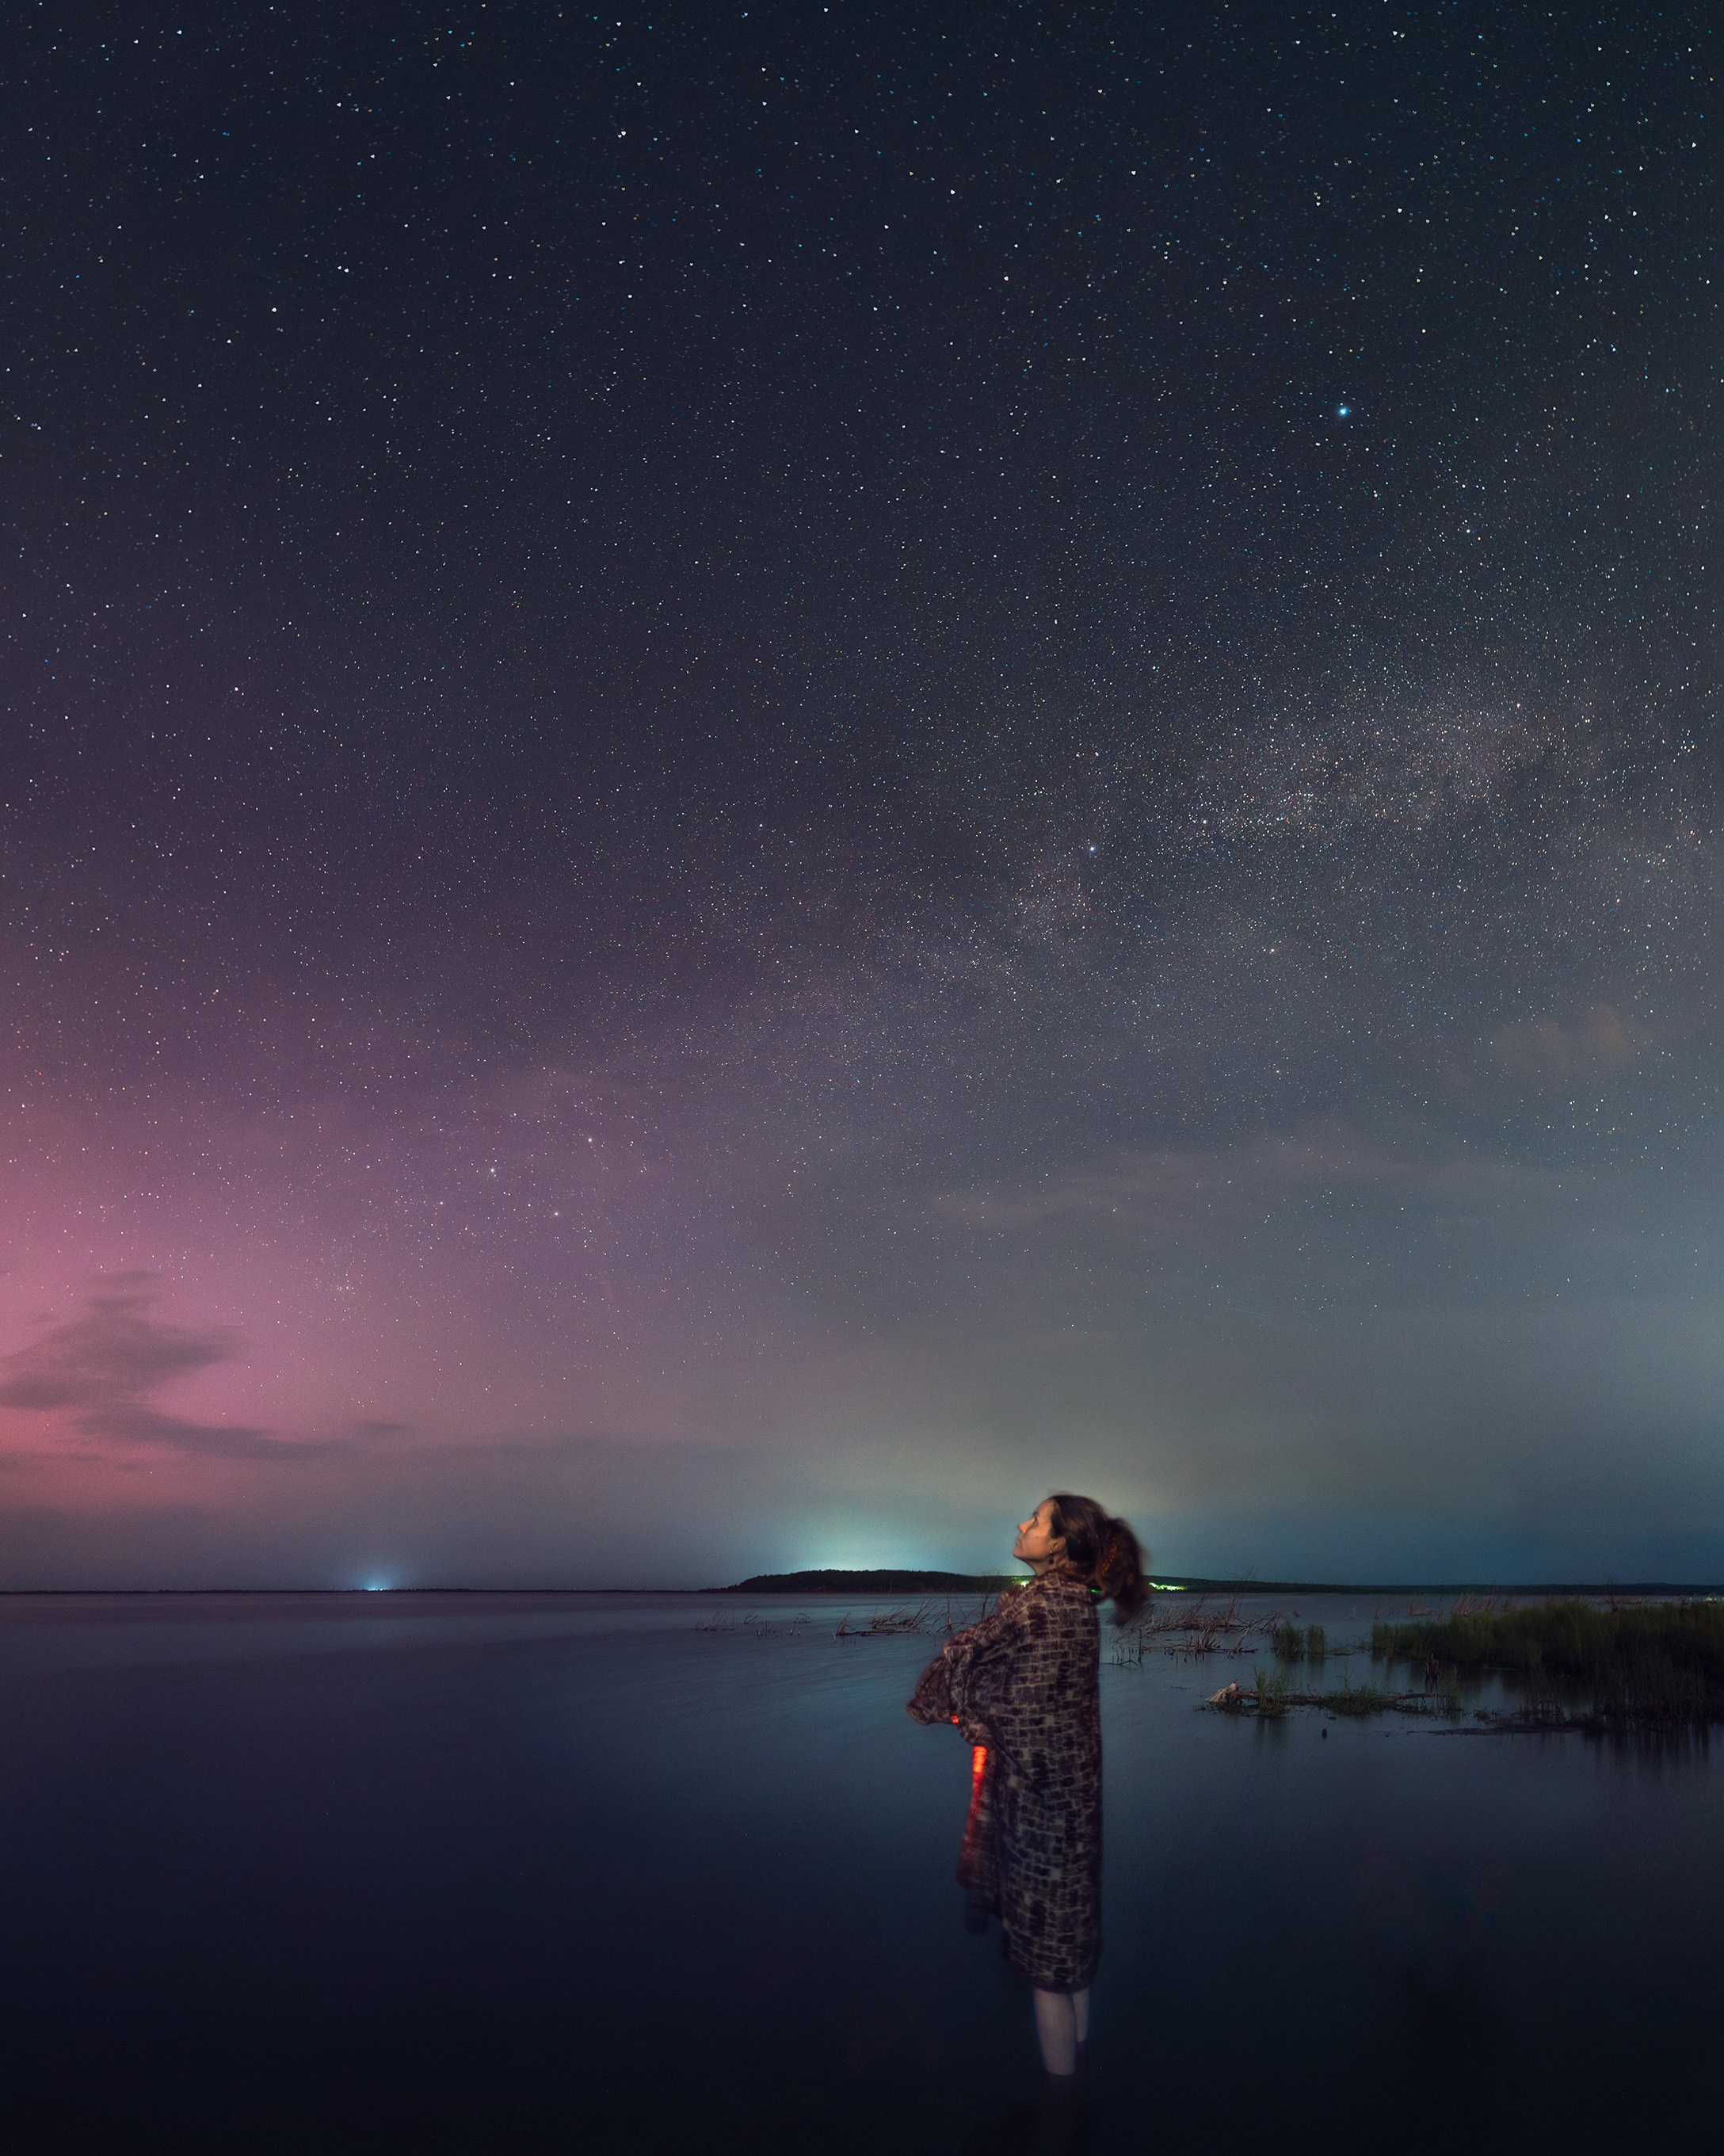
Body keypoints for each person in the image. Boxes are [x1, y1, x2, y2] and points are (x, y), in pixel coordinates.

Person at [907, 1494, 1148, 2103]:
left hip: (1041, 1816)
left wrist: (970, 1715)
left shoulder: (1037, 1609)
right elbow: (1048, 1702)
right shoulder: (1078, 1606)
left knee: (1046, 1972)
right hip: (1079, 1808)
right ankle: (1085, 2081)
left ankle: (1063, 2110)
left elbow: (962, 1666)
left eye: (1036, 1521)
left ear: (1060, 1545)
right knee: (1072, 1954)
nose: (1022, 1524)